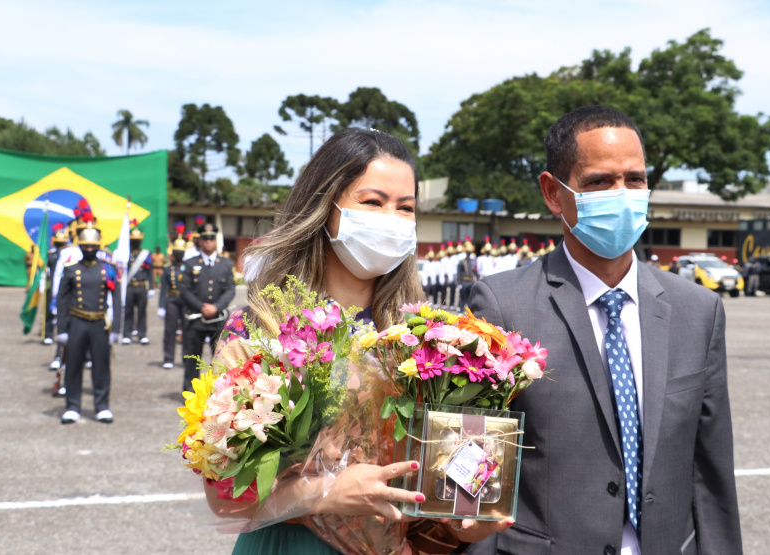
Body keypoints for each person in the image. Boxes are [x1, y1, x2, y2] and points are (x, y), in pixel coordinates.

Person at [205, 128, 508, 554]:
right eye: (372, 202)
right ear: (323, 207)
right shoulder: (262, 329)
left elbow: (437, 501)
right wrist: (324, 492)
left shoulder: (430, 346)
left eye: (406, 208)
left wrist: (465, 521)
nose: (391, 218)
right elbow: (222, 496)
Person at [468, 106, 742, 555]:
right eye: (599, 182)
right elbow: (477, 476)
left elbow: (710, 472)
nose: (622, 195)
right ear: (553, 193)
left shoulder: (698, 310)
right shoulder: (502, 306)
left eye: (634, 179)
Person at [56, 220, 120, 424]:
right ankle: (72, 406)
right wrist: (62, 328)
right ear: (80, 247)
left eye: (93, 246)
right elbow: (62, 300)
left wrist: (117, 328)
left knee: (102, 366)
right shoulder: (71, 269)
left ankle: (102, 406)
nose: (90, 249)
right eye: (86, 246)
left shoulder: (108, 269)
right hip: (77, 321)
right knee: (73, 364)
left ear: (98, 246)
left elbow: (117, 298)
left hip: (100, 323)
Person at [179, 221, 236, 393]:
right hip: (196, 318)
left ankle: (219, 392)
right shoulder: (190, 263)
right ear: (200, 241)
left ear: (215, 241)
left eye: (212, 238)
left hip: (218, 319)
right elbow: (184, 290)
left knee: (219, 359)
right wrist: (201, 306)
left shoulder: (226, 263)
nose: (209, 241)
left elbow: (230, 289)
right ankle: (190, 391)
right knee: (192, 358)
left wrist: (216, 307)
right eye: (205, 238)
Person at [157, 238, 188, 369]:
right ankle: (168, 358)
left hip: (186, 301)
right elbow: (163, 289)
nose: (179, 254)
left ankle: (187, 358)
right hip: (172, 299)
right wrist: (161, 306)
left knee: (187, 330)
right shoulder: (168, 269)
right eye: (177, 252)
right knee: (170, 330)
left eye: (181, 252)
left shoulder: (189, 268)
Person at [122, 225, 155, 344]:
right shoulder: (126, 254)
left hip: (141, 286)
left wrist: (151, 287)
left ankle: (142, 334)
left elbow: (149, 271)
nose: (135, 241)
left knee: (142, 311)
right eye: (133, 239)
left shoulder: (145, 254)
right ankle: (127, 334)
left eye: (137, 239)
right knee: (128, 311)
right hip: (129, 286)